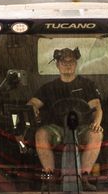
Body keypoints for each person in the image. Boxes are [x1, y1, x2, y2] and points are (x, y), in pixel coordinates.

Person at [26, 47, 103, 178]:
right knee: (41, 134)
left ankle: (83, 176)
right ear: (57, 65)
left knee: (96, 135)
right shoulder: (48, 88)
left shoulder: (87, 85)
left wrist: (96, 123)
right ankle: (49, 176)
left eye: (71, 61)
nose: (68, 65)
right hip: (57, 130)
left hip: (82, 129)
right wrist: (33, 108)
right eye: (63, 62)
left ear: (76, 64)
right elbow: (32, 103)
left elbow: (96, 106)